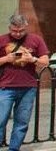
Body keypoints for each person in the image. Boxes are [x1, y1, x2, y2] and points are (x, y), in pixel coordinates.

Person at [0, 15, 49, 151]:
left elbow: (45, 61)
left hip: (28, 87)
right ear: (9, 27)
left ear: (25, 27)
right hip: (5, 87)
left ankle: (14, 149)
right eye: (14, 31)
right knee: (0, 120)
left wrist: (32, 59)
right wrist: (6, 59)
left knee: (22, 122)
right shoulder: (2, 40)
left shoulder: (36, 40)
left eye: (21, 31)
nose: (17, 34)